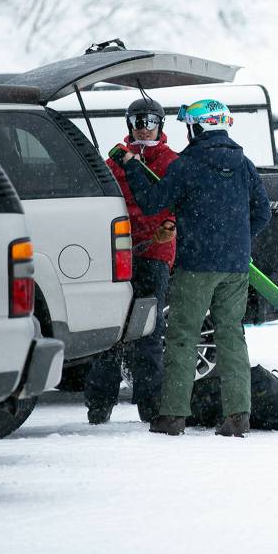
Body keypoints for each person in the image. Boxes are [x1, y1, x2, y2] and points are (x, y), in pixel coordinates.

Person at [118, 99, 271, 437]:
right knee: (231, 336)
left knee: (182, 337)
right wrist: (235, 240)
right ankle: (238, 416)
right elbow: (262, 213)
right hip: (235, 268)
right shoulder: (244, 164)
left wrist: (130, 167)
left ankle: (173, 416)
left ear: (197, 127)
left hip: (196, 266)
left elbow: (153, 203)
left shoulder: (186, 164)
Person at [85, 98, 177, 425]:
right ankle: (99, 401)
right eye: (138, 120)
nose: (143, 126)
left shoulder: (170, 161)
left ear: (161, 124)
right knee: (111, 328)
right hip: (119, 253)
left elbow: (182, 200)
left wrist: (171, 225)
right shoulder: (115, 160)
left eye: (150, 120)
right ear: (129, 123)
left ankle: (150, 403)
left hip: (153, 254)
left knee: (149, 329)